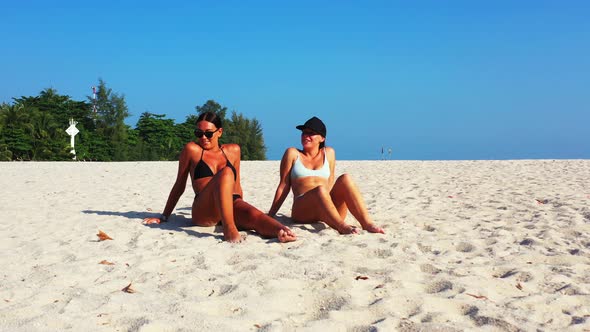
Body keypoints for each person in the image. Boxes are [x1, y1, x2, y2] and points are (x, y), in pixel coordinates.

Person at [143, 112, 296, 243]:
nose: (203, 138)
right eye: (199, 133)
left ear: (219, 132)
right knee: (226, 172)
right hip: (204, 209)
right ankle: (229, 230)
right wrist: (164, 216)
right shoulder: (192, 150)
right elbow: (179, 185)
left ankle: (282, 231)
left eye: (208, 133)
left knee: (254, 215)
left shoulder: (233, 150)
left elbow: (236, 186)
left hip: (229, 203)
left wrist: (242, 206)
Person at [268, 116, 385, 234]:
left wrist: (329, 203)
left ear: (322, 138)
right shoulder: (293, 153)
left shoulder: (329, 153)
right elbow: (283, 185)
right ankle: (341, 226)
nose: (305, 136)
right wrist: (271, 214)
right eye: (304, 133)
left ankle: (367, 223)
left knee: (346, 178)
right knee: (320, 190)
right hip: (303, 210)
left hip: (327, 208)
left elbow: (330, 182)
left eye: (311, 133)